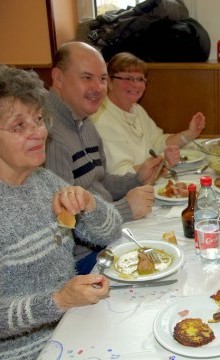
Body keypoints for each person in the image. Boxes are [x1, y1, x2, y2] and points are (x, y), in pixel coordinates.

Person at [0, 65, 123, 360]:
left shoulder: (43, 180)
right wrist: (58, 300)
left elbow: (112, 231)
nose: (38, 133)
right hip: (27, 352)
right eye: (19, 126)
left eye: (38, 120)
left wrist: (90, 205)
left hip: (72, 328)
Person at [44, 42, 173, 274]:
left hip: (107, 233)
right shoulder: (47, 134)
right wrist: (124, 209)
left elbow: (99, 182)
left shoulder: (85, 123)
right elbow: (62, 223)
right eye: (86, 77)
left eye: (102, 79)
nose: (97, 87)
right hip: (84, 259)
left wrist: (135, 179)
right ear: (58, 78)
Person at [91, 51, 206, 175]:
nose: (136, 84)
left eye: (140, 79)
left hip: (147, 181)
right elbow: (121, 174)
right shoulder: (102, 119)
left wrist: (189, 134)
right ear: (109, 82)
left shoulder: (136, 109)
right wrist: (163, 162)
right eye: (128, 78)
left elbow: (158, 142)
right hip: (127, 191)